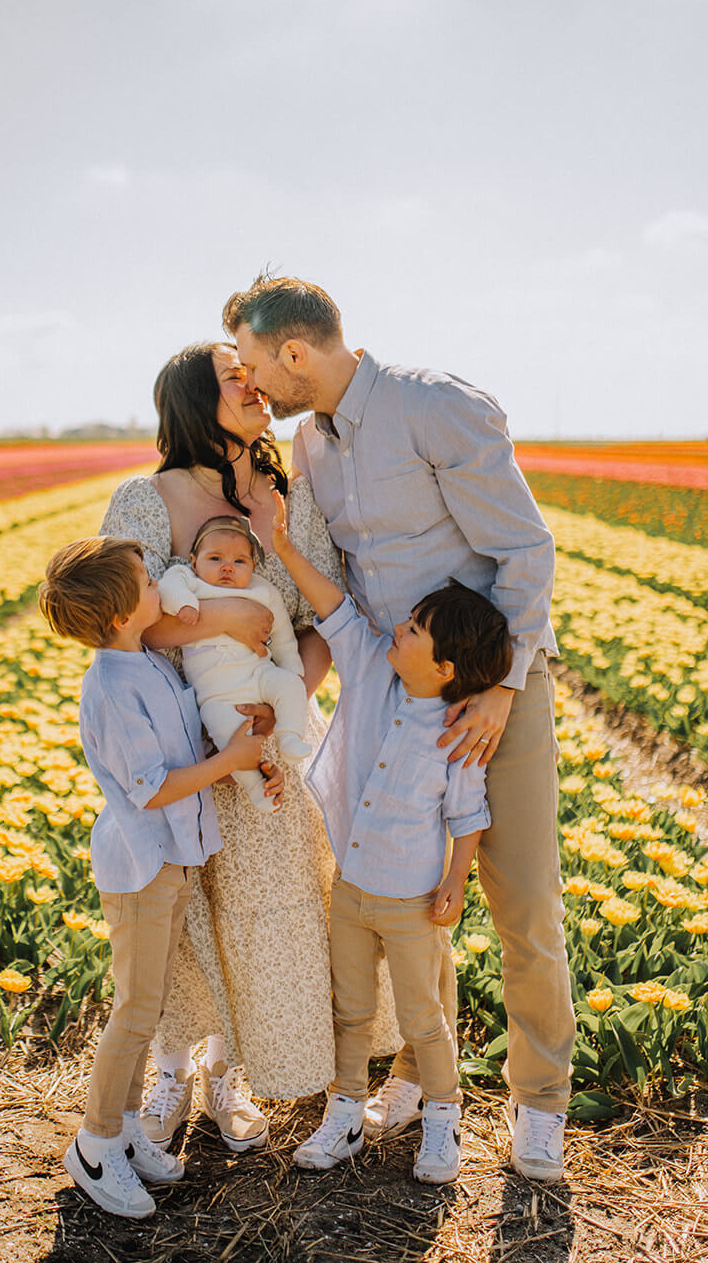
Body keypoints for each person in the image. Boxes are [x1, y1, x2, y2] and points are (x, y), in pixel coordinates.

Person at [227, 273, 576, 1183]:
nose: (255, 383)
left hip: (494, 689)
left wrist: (500, 688)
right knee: (414, 891)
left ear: (295, 352)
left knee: (523, 899)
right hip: (388, 695)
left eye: (259, 365)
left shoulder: (433, 407)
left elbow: (524, 550)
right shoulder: (313, 444)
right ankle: (425, 1073)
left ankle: (540, 1102)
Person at [100, 342, 400, 1155]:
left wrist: (281, 708)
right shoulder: (144, 499)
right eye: (235, 378)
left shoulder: (282, 498)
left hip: (261, 749)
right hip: (172, 745)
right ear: (195, 401)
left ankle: (228, 1074)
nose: (255, 384)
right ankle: (171, 1070)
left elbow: (318, 622)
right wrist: (223, 622)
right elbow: (116, 617)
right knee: (176, 911)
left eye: (252, 372)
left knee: (255, 913)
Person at [271, 487, 510, 1182]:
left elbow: (467, 819)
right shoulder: (374, 667)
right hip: (351, 889)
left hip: (410, 904)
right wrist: (284, 547)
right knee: (350, 1010)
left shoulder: (457, 735)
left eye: (413, 630)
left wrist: (453, 883)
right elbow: (336, 609)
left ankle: (443, 1123)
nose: (395, 630)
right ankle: (344, 1115)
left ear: (444, 669)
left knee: (423, 1018)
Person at [37, 535, 277, 1218]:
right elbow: (152, 787)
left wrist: (241, 739)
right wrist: (232, 758)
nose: (160, 588)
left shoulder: (146, 662)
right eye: (146, 582)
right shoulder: (112, 685)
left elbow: (180, 748)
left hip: (166, 859)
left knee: (145, 1010)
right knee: (135, 1010)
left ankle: (128, 1133)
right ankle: (95, 1144)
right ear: (119, 612)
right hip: (141, 865)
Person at [158, 513, 311, 812]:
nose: (227, 566)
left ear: (253, 566)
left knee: (290, 685)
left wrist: (292, 669)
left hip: (259, 674)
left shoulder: (262, 591)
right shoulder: (188, 581)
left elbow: (282, 637)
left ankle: (290, 736)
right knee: (230, 739)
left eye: (240, 561)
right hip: (216, 695)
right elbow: (167, 587)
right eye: (215, 558)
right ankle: (256, 786)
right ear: (193, 560)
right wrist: (184, 605)